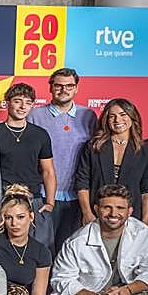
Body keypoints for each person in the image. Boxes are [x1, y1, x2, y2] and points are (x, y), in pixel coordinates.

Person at [29, 68, 98, 255]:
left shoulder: (89, 116)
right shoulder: (35, 115)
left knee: (70, 251)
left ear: (76, 88)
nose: (64, 90)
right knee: (42, 250)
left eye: (69, 86)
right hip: (43, 195)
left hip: (78, 197)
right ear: (50, 87)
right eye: (58, 85)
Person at [0, 83, 56, 247]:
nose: (22, 107)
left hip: (34, 199)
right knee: (4, 248)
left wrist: (50, 203)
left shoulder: (40, 134)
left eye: (27, 102)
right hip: (4, 199)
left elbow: (48, 171)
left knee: (41, 247)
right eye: (18, 101)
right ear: (7, 103)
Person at [76, 98, 148, 225]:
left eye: (123, 115)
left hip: (131, 217)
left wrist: (145, 222)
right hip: (97, 215)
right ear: (106, 120)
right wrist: (87, 213)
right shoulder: (93, 146)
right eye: (112, 116)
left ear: (132, 117)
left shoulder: (145, 149)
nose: (117, 120)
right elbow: (82, 183)